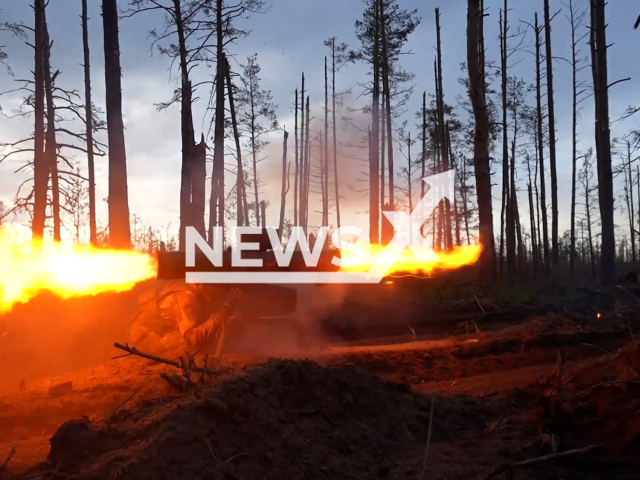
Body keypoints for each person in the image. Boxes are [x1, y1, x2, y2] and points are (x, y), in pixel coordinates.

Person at [129, 281, 238, 353]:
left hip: (159, 331)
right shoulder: (188, 299)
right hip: (144, 338)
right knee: (191, 345)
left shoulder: (191, 288)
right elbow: (192, 339)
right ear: (200, 284)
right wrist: (220, 316)